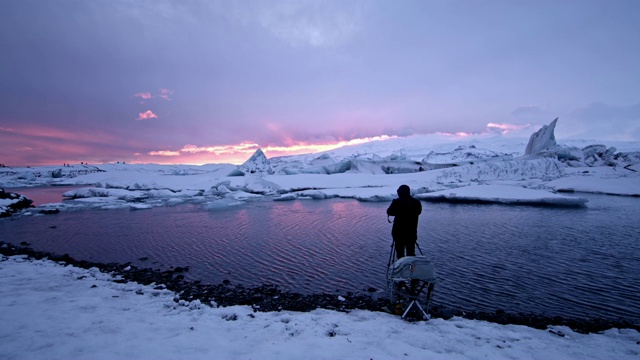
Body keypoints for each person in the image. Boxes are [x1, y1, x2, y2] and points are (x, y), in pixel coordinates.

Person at [387, 184, 422, 260]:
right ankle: (411, 270)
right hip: (411, 233)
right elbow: (419, 212)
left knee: (400, 255)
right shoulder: (416, 202)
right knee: (411, 254)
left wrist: (395, 203)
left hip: (398, 233)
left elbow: (389, 212)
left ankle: (401, 270)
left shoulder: (397, 202)